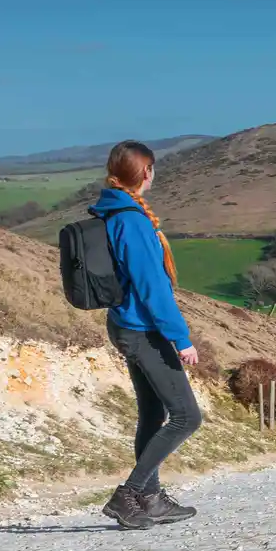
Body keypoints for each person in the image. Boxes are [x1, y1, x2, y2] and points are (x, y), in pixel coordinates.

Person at [95, 140, 201, 530]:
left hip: (127, 323)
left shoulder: (113, 210)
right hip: (143, 329)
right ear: (146, 173)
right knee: (187, 416)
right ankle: (129, 494)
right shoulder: (132, 220)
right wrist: (181, 338)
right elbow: (152, 286)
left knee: (153, 413)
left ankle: (151, 499)